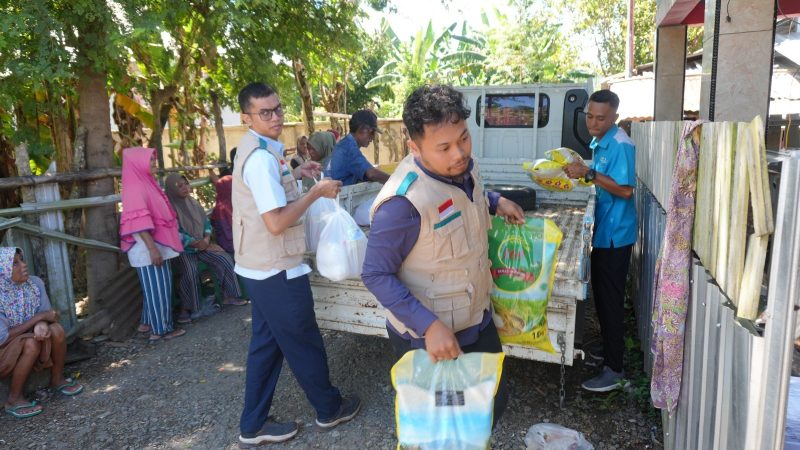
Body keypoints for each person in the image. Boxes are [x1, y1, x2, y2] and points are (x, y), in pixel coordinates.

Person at [361, 84, 525, 427]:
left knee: (492, 404)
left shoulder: (466, 168)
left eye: (463, 139)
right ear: (414, 146)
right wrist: (428, 326)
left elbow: (469, 195)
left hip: (476, 319)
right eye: (444, 147)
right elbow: (375, 274)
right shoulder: (402, 203)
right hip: (429, 341)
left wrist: (495, 201)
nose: (459, 154)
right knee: (444, 429)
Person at [233, 82, 361, 447]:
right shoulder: (259, 158)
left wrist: (298, 172)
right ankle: (329, 408)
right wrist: (316, 193)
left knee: (266, 346)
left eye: (277, 109)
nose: (275, 117)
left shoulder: (261, 150)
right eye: (265, 112)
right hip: (276, 268)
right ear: (247, 117)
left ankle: (253, 424)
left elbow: (274, 187)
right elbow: (275, 221)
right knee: (303, 341)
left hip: (259, 267)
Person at [563, 89, 637, 392]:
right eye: (589, 116)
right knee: (602, 298)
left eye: (600, 118)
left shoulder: (621, 144)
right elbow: (595, 176)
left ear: (614, 117)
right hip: (604, 231)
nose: (592, 122)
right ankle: (608, 353)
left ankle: (615, 370)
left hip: (615, 236)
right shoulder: (601, 141)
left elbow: (625, 190)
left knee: (610, 303)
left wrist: (589, 174)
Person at [0, 248, 84, 418]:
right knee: (31, 343)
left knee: (57, 330)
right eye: (15, 263)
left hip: (28, 337)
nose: (24, 265)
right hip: (5, 347)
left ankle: (57, 379)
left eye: (22, 260)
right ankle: (13, 399)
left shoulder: (34, 284)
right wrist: (38, 319)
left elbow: (50, 314)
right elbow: (3, 337)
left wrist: (42, 322)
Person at [119, 147, 186, 342]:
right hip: (147, 248)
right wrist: (152, 249)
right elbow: (138, 223)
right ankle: (161, 330)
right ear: (138, 164)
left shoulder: (144, 182)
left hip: (153, 246)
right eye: (151, 160)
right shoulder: (135, 188)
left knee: (154, 287)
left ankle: (147, 323)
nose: (155, 163)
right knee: (159, 288)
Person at [165, 173, 247, 323]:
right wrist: (194, 242)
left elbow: (206, 223)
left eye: (186, 184)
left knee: (223, 257)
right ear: (171, 189)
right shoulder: (169, 209)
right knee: (190, 270)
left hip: (203, 245)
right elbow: (174, 232)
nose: (185, 188)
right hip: (183, 251)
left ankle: (229, 296)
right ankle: (187, 308)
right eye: (179, 186)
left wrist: (207, 238)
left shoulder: (194, 203)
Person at [327, 109, 390, 186]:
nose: (373, 137)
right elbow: (371, 174)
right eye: (372, 132)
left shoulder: (346, 144)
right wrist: (396, 182)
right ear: (362, 129)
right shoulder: (348, 148)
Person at [209, 148, 236, 254]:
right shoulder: (236, 202)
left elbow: (218, 183)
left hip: (227, 247)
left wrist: (210, 169)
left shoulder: (219, 209)